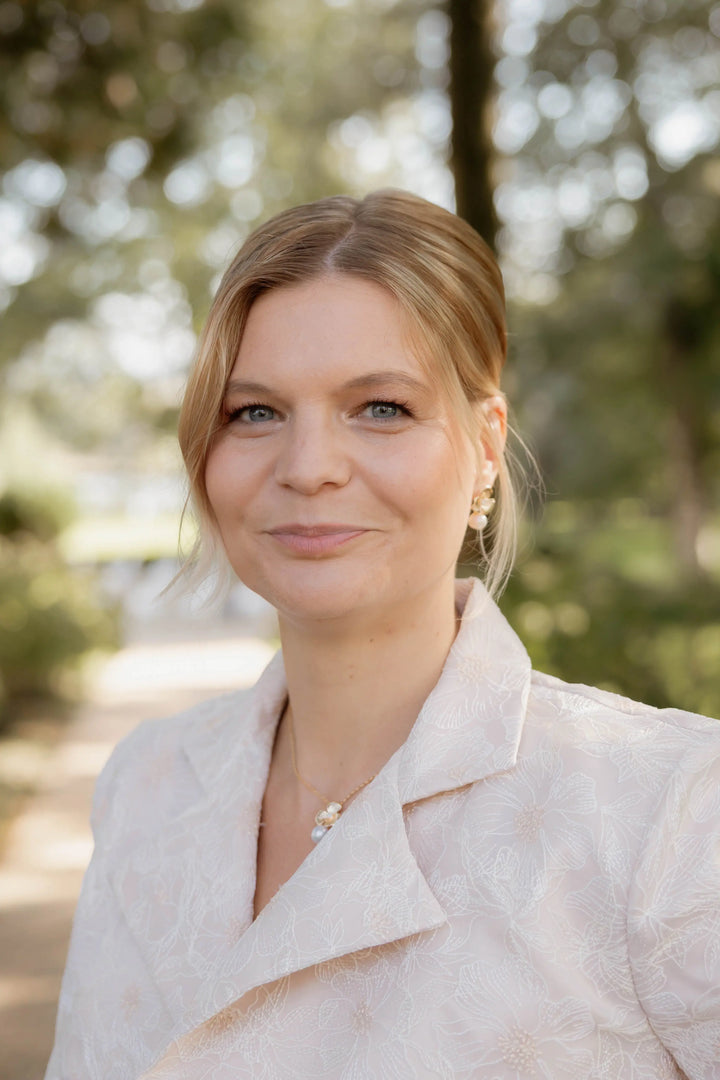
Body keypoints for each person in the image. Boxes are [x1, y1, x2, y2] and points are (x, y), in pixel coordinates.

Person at [46, 190, 720, 1080]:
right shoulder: (143, 783)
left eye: (382, 408)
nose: (309, 467)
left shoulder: (671, 811)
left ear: (485, 446)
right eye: (254, 412)